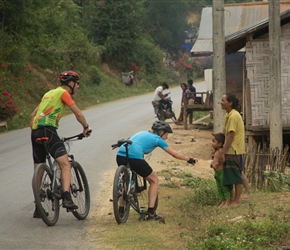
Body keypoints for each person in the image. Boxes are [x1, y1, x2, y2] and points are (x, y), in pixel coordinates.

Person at [30, 70, 92, 218]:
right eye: (77, 84)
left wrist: (36, 130)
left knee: (38, 169)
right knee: (65, 164)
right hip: (49, 131)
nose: (78, 87)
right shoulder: (64, 94)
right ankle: (66, 197)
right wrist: (86, 127)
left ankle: (38, 206)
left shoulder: (48, 93)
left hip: (35, 132)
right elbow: (78, 114)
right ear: (71, 83)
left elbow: (33, 115)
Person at [116, 121, 198, 220]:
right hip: (135, 157)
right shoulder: (157, 139)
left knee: (125, 179)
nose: (167, 137)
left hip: (120, 154)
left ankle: (120, 209)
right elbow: (175, 154)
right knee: (154, 180)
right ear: (161, 132)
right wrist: (189, 159)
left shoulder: (142, 132)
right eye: (167, 134)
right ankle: (151, 212)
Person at [220, 93, 249, 208]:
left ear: (230, 102)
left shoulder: (233, 116)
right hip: (230, 150)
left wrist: (223, 151)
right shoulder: (228, 115)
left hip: (234, 150)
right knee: (231, 175)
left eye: (223, 100)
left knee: (236, 176)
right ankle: (232, 199)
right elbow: (225, 134)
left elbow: (231, 135)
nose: (221, 102)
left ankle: (236, 201)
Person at [210, 133, 230, 208]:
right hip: (217, 173)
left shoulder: (221, 151)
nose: (212, 143)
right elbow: (214, 159)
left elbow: (222, 160)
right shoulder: (215, 151)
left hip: (221, 172)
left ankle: (227, 201)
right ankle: (222, 201)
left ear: (220, 144)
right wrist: (212, 162)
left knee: (224, 187)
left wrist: (217, 164)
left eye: (213, 141)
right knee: (219, 188)